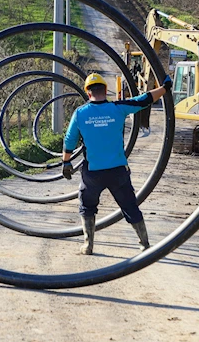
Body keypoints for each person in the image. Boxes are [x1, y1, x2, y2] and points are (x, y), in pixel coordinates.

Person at [62, 72, 172, 255]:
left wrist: (65, 163)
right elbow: (143, 100)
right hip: (118, 171)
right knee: (130, 206)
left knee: (87, 206)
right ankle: (144, 245)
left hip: (93, 172)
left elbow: (70, 140)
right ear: (106, 90)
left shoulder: (80, 113)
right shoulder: (118, 108)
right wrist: (165, 88)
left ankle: (88, 246)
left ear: (88, 94)